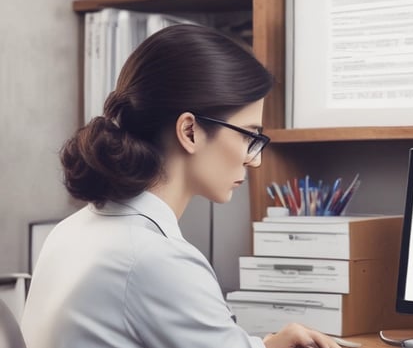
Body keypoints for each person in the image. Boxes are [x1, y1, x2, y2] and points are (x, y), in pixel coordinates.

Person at [20, 24, 344, 348]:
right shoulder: (157, 259)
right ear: (190, 131)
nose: (254, 160)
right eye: (248, 136)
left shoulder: (71, 231)